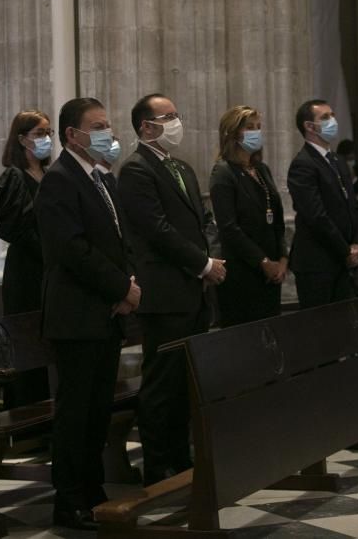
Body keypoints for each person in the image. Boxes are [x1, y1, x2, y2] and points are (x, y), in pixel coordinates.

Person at [35, 98, 140, 530]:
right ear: (72, 135)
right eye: (98, 126)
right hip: (76, 315)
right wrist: (120, 287)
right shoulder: (59, 181)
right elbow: (72, 250)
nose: (108, 133)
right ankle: (69, 498)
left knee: (98, 410)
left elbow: (118, 241)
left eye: (108, 125)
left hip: (105, 312)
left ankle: (93, 487)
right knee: (75, 411)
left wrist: (126, 286)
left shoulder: (102, 179)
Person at [118, 94, 225, 486]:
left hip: (192, 291)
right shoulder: (135, 170)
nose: (177, 122)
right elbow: (156, 230)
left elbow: (204, 221)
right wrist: (203, 264)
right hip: (165, 294)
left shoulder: (181, 167)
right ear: (146, 126)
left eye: (177, 115)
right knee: (163, 385)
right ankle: (160, 464)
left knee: (186, 383)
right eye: (169, 117)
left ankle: (182, 457)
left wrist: (209, 258)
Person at [0, 110, 52, 405]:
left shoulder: (50, 174)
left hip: (51, 270)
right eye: (40, 134)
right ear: (21, 139)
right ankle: (28, 412)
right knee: (29, 344)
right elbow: (12, 228)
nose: (46, 139)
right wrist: (48, 251)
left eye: (48, 133)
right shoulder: (13, 177)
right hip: (28, 270)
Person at [209, 105, 287, 326]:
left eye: (259, 127)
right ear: (233, 133)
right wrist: (262, 261)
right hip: (243, 271)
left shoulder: (262, 170)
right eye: (249, 127)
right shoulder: (223, 172)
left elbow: (277, 221)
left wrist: (282, 258)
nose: (256, 132)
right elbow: (229, 228)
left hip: (271, 270)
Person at [287, 99, 358, 309]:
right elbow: (316, 216)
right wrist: (345, 250)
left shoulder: (338, 161)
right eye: (325, 117)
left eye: (332, 115)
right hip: (318, 262)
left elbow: (353, 206)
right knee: (319, 331)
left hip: (343, 260)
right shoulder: (303, 164)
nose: (333, 121)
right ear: (309, 126)